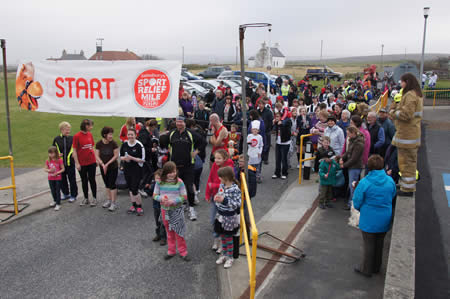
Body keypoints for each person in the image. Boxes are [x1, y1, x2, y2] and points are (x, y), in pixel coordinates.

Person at [353, 155, 396, 277]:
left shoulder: (365, 182)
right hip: (385, 217)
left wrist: (362, 208)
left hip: (369, 218)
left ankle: (366, 269)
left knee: (369, 244)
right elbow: (393, 195)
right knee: (379, 242)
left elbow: (357, 201)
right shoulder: (390, 180)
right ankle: (377, 267)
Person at [389, 73, 423, 197]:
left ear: (407, 82)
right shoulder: (415, 95)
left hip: (407, 136)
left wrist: (393, 112)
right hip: (409, 135)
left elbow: (406, 114)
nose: (400, 84)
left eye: (402, 82)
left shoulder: (410, 95)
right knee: (407, 163)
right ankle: (406, 185)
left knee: (407, 163)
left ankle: (407, 189)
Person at [169, 116, 205, 220]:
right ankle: (180, 206)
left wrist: (196, 152)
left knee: (189, 187)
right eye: (177, 122)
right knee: (176, 187)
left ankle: (191, 208)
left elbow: (203, 142)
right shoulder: (172, 133)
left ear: (185, 123)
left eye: (181, 122)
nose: (179, 124)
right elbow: (164, 143)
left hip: (188, 165)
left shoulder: (190, 133)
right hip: (175, 166)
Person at [153, 162, 190, 262]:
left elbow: (184, 197)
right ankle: (171, 251)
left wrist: (173, 201)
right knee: (169, 231)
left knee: (179, 232)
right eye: (170, 172)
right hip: (165, 211)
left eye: (174, 171)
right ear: (165, 172)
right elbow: (155, 195)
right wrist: (161, 199)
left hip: (177, 210)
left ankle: (183, 252)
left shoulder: (179, 182)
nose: (172, 174)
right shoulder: (159, 182)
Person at [205, 149, 235, 253]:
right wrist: (208, 194)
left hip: (224, 199)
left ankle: (223, 244)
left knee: (223, 221)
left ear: (225, 158)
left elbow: (228, 183)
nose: (216, 160)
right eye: (215, 158)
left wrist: (213, 185)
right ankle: (216, 240)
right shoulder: (214, 165)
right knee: (213, 220)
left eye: (219, 158)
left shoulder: (229, 167)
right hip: (215, 197)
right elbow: (210, 179)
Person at [214, 166, 242, 269]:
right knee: (223, 237)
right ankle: (224, 255)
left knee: (229, 238)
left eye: (220, 177)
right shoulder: (222, 185)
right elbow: (219, 195)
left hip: (229, 217)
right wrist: (216, 199)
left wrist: (224, 201)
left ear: (226, 177)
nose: (219, 179)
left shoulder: (235, 189)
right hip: (221, 215)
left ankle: (230, 257)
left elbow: (237, 204)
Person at [120, 128, 145, 216]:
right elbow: (120, 156)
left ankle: (139, 206)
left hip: (136, 170)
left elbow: (142, 160)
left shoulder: (139, 145)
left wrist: (132, 158)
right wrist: (125, 159)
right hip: (127, 169)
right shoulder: (124, 144)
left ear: (135, 135)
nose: (130, 136)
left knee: (135, 189)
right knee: (130, 188)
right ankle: (133, 205)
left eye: (132, 135)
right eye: (129, 134)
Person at [72, 119, 97, 207]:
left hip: (91, 162)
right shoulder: (77, 136)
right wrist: (77, 163)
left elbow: (92, 147)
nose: (92, 127)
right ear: (86, 126)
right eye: (90, 125)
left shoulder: (90, 134)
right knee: (84, 180)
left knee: (92, 179)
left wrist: (96, 159)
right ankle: (86, 198)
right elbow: (74, 151)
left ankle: (94, 198)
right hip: (82, 163)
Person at [340, 126, 365, 210]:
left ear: (353, 133)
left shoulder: (359, 144)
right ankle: (351, 202)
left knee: (353, 186)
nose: (347, 136)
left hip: (355, 167)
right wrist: (342, 158)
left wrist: (344, 164)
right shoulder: (352, 141)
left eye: (348, 134)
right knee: (352, 185)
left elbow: (354, 158)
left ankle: (352, 204)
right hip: (352, 166)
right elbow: (348, 152)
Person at [95, 126, 119, 211]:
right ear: (104, 135)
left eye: (112, 134)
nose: (111, 136)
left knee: (112, 184)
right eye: (110, 134)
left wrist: (107, 164)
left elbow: (116, 156)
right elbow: (96, 155)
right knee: (107, 184)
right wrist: (102, 164)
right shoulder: (99, 144)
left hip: (113, 167)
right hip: (103, 167)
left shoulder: (114, 143)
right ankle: (109, 200)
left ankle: (113, 202)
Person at [52, 121, 78, 202]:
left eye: (69, 129)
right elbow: (52, 151)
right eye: (66, 130)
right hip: (61, 165)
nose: (68, 131)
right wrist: (57, 155)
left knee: (72, 180)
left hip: (70, 163)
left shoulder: (72, 138)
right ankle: (66, 194)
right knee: (62, 180)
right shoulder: (56, 139)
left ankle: (73, 195)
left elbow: (76, 149)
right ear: (61, 130)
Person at [272, 111, 292, 180]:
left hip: (285, 143)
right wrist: (274, 124)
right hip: (278, 142)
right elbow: (273, 130)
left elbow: (287, 129)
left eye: (278, 117)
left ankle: (284, 173)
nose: (276, 118)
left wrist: (281, 124)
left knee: (284, 159)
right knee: (278, 159)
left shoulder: (287, 121)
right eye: (276, 116)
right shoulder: (277, 123)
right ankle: (277, 173)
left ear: (281, 117)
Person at [45, 146, 65, 211]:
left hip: (57, 178)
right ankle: (55, 200)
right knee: (53, 190)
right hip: (50, 178)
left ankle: (58, 203)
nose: (51, 155)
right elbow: (45, 169)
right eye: (50, 153)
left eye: (52, 153)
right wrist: (49, 170)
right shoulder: (48, 161)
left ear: (56, 153)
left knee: (57, 190)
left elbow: (63, 169)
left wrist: (57, 173)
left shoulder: (59, 160)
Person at [150, 169, 167, 246]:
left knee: (163, 222)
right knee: (157, 221)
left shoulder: (166, 186)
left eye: (159, 178)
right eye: (156, 178)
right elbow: (150, 192)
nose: (158, 180)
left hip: (164, 207)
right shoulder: (154, 185)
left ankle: (164, 237)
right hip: (156, 206)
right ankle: (158, 234)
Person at [257, 98, 273, 165]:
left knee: (267, 145)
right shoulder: (257, 111)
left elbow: (270, 121)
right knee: (260, 144)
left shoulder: (268, 111)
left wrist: (269, 128)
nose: (260, 105)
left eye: (261, 104)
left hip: (266, 131)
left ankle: (266, 158)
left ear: (264, 104)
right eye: (259, 104)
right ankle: (260, 157)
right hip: (259, 131)